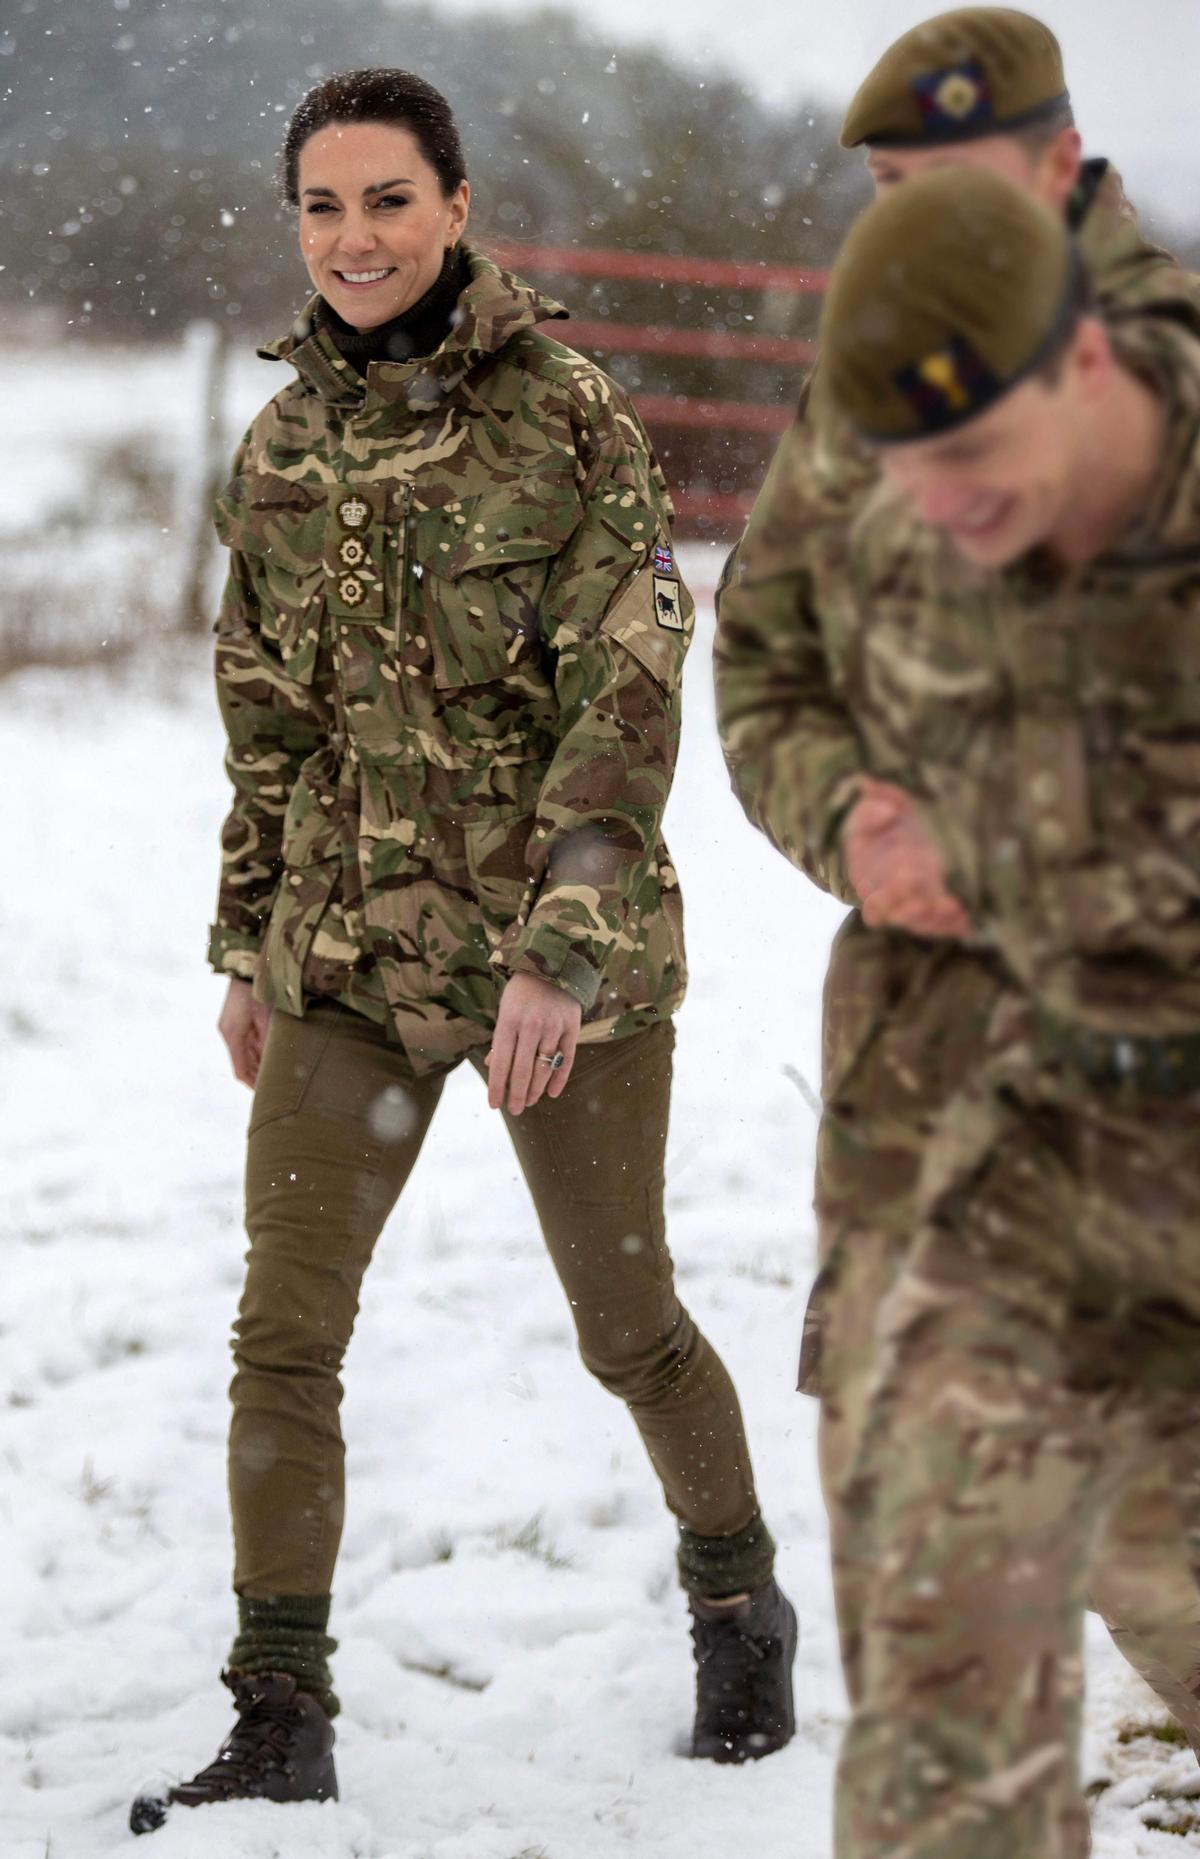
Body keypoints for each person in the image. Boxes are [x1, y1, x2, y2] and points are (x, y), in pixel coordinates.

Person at [130, 67, 794, 1835]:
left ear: (456, 206)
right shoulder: (282, 446)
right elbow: (263, 717)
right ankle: (281, 1705)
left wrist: (554, 960)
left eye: (388, 201)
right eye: (323, 207)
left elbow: (624, 706)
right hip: (343, 956)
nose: (355, 239)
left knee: (627, 1326)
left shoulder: (571, 420)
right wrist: (244, 941)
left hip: (556, 972)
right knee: (284, 1341)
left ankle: (737, 1597)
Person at [714, 2, 1200, 1772]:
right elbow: (760, 652)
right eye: (886, 189)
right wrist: (847, 817)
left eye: (948, 181)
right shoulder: (884, 355)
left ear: (1064, 165)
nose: (906, 223)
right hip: (922, 1066)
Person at [812, 160, 1200, 1859]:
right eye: (900, 464)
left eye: (970, 454)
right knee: (943, 1671)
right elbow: (780, 666)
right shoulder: (921, 529)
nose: (933, 505)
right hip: (1045, 1145)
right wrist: (855, 810)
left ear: (1095, 363)